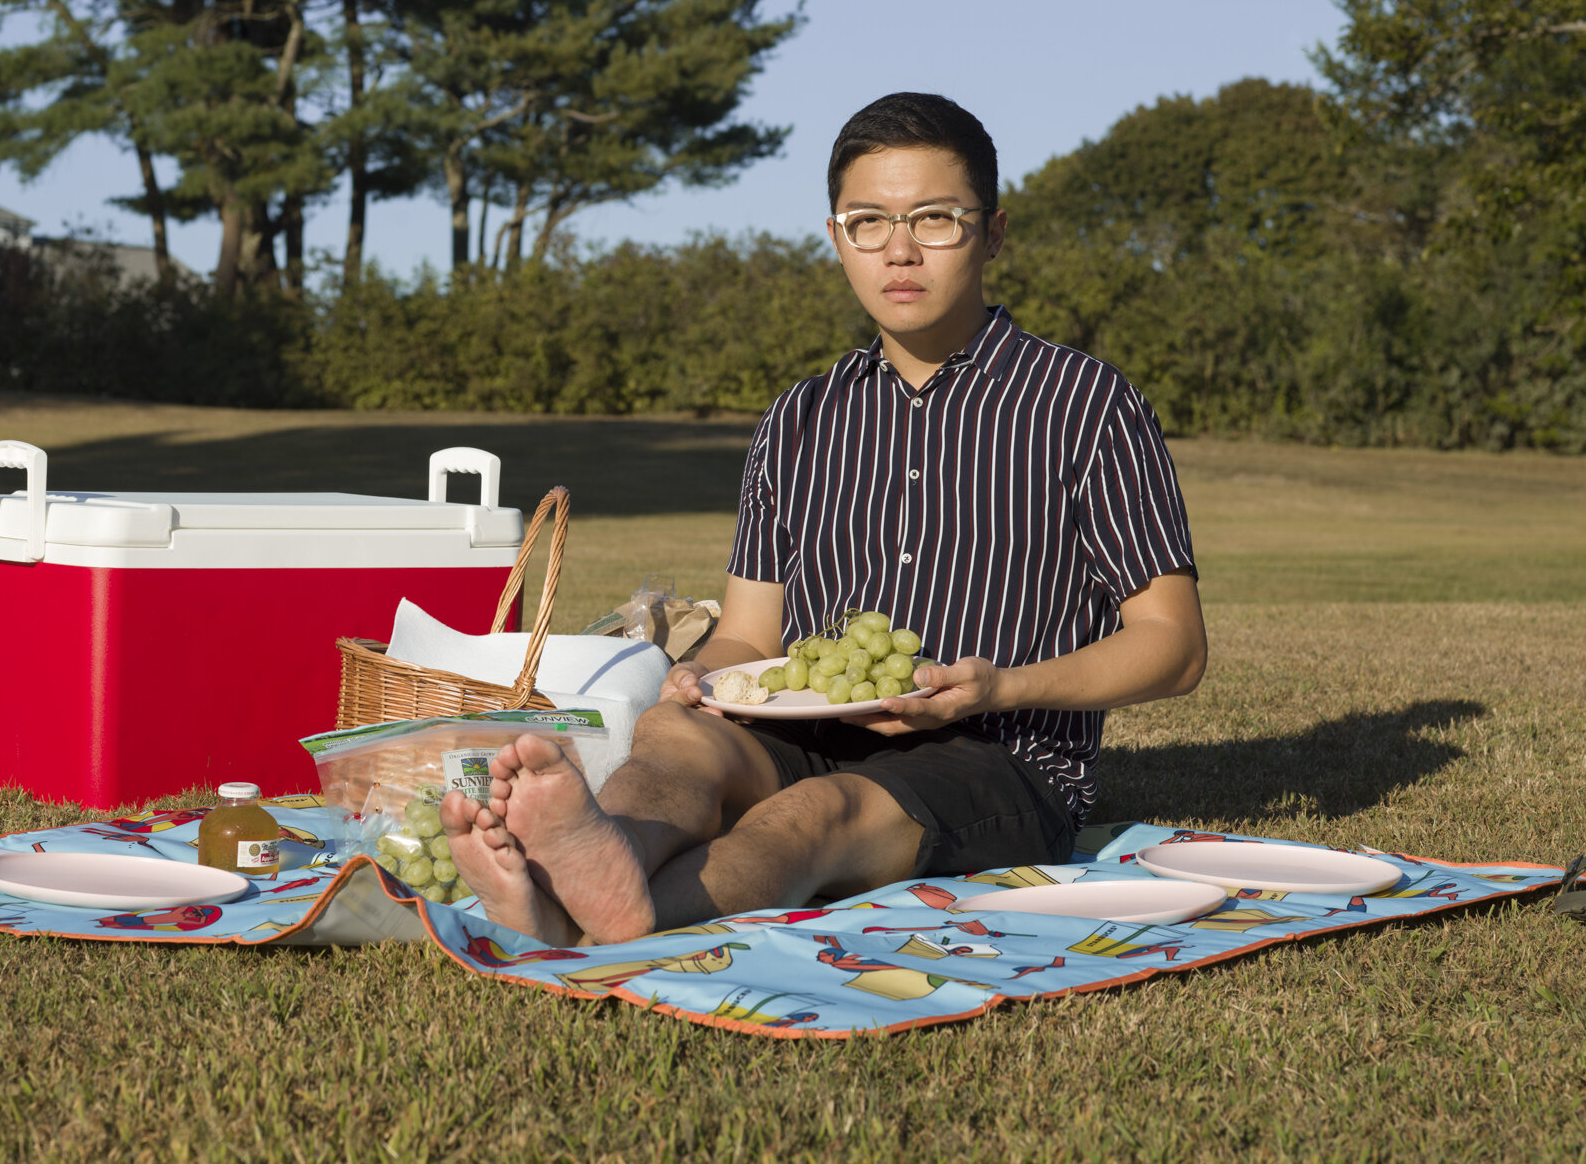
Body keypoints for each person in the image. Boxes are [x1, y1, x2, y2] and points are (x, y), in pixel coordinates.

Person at [442, 91, 1207, 946]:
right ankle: (595, 861)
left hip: (1002, 758)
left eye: (937, 218)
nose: (901, 249)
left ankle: (624, 911)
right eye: (868, 221)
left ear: (992, 233)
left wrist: (1003, 685)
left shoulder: (1084, 403)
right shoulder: (798, 419)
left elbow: (1173, 645)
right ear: (837, 238)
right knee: (673, 733)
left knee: (820, 810)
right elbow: (748, 632)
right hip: (801, 727)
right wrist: (703, 678)